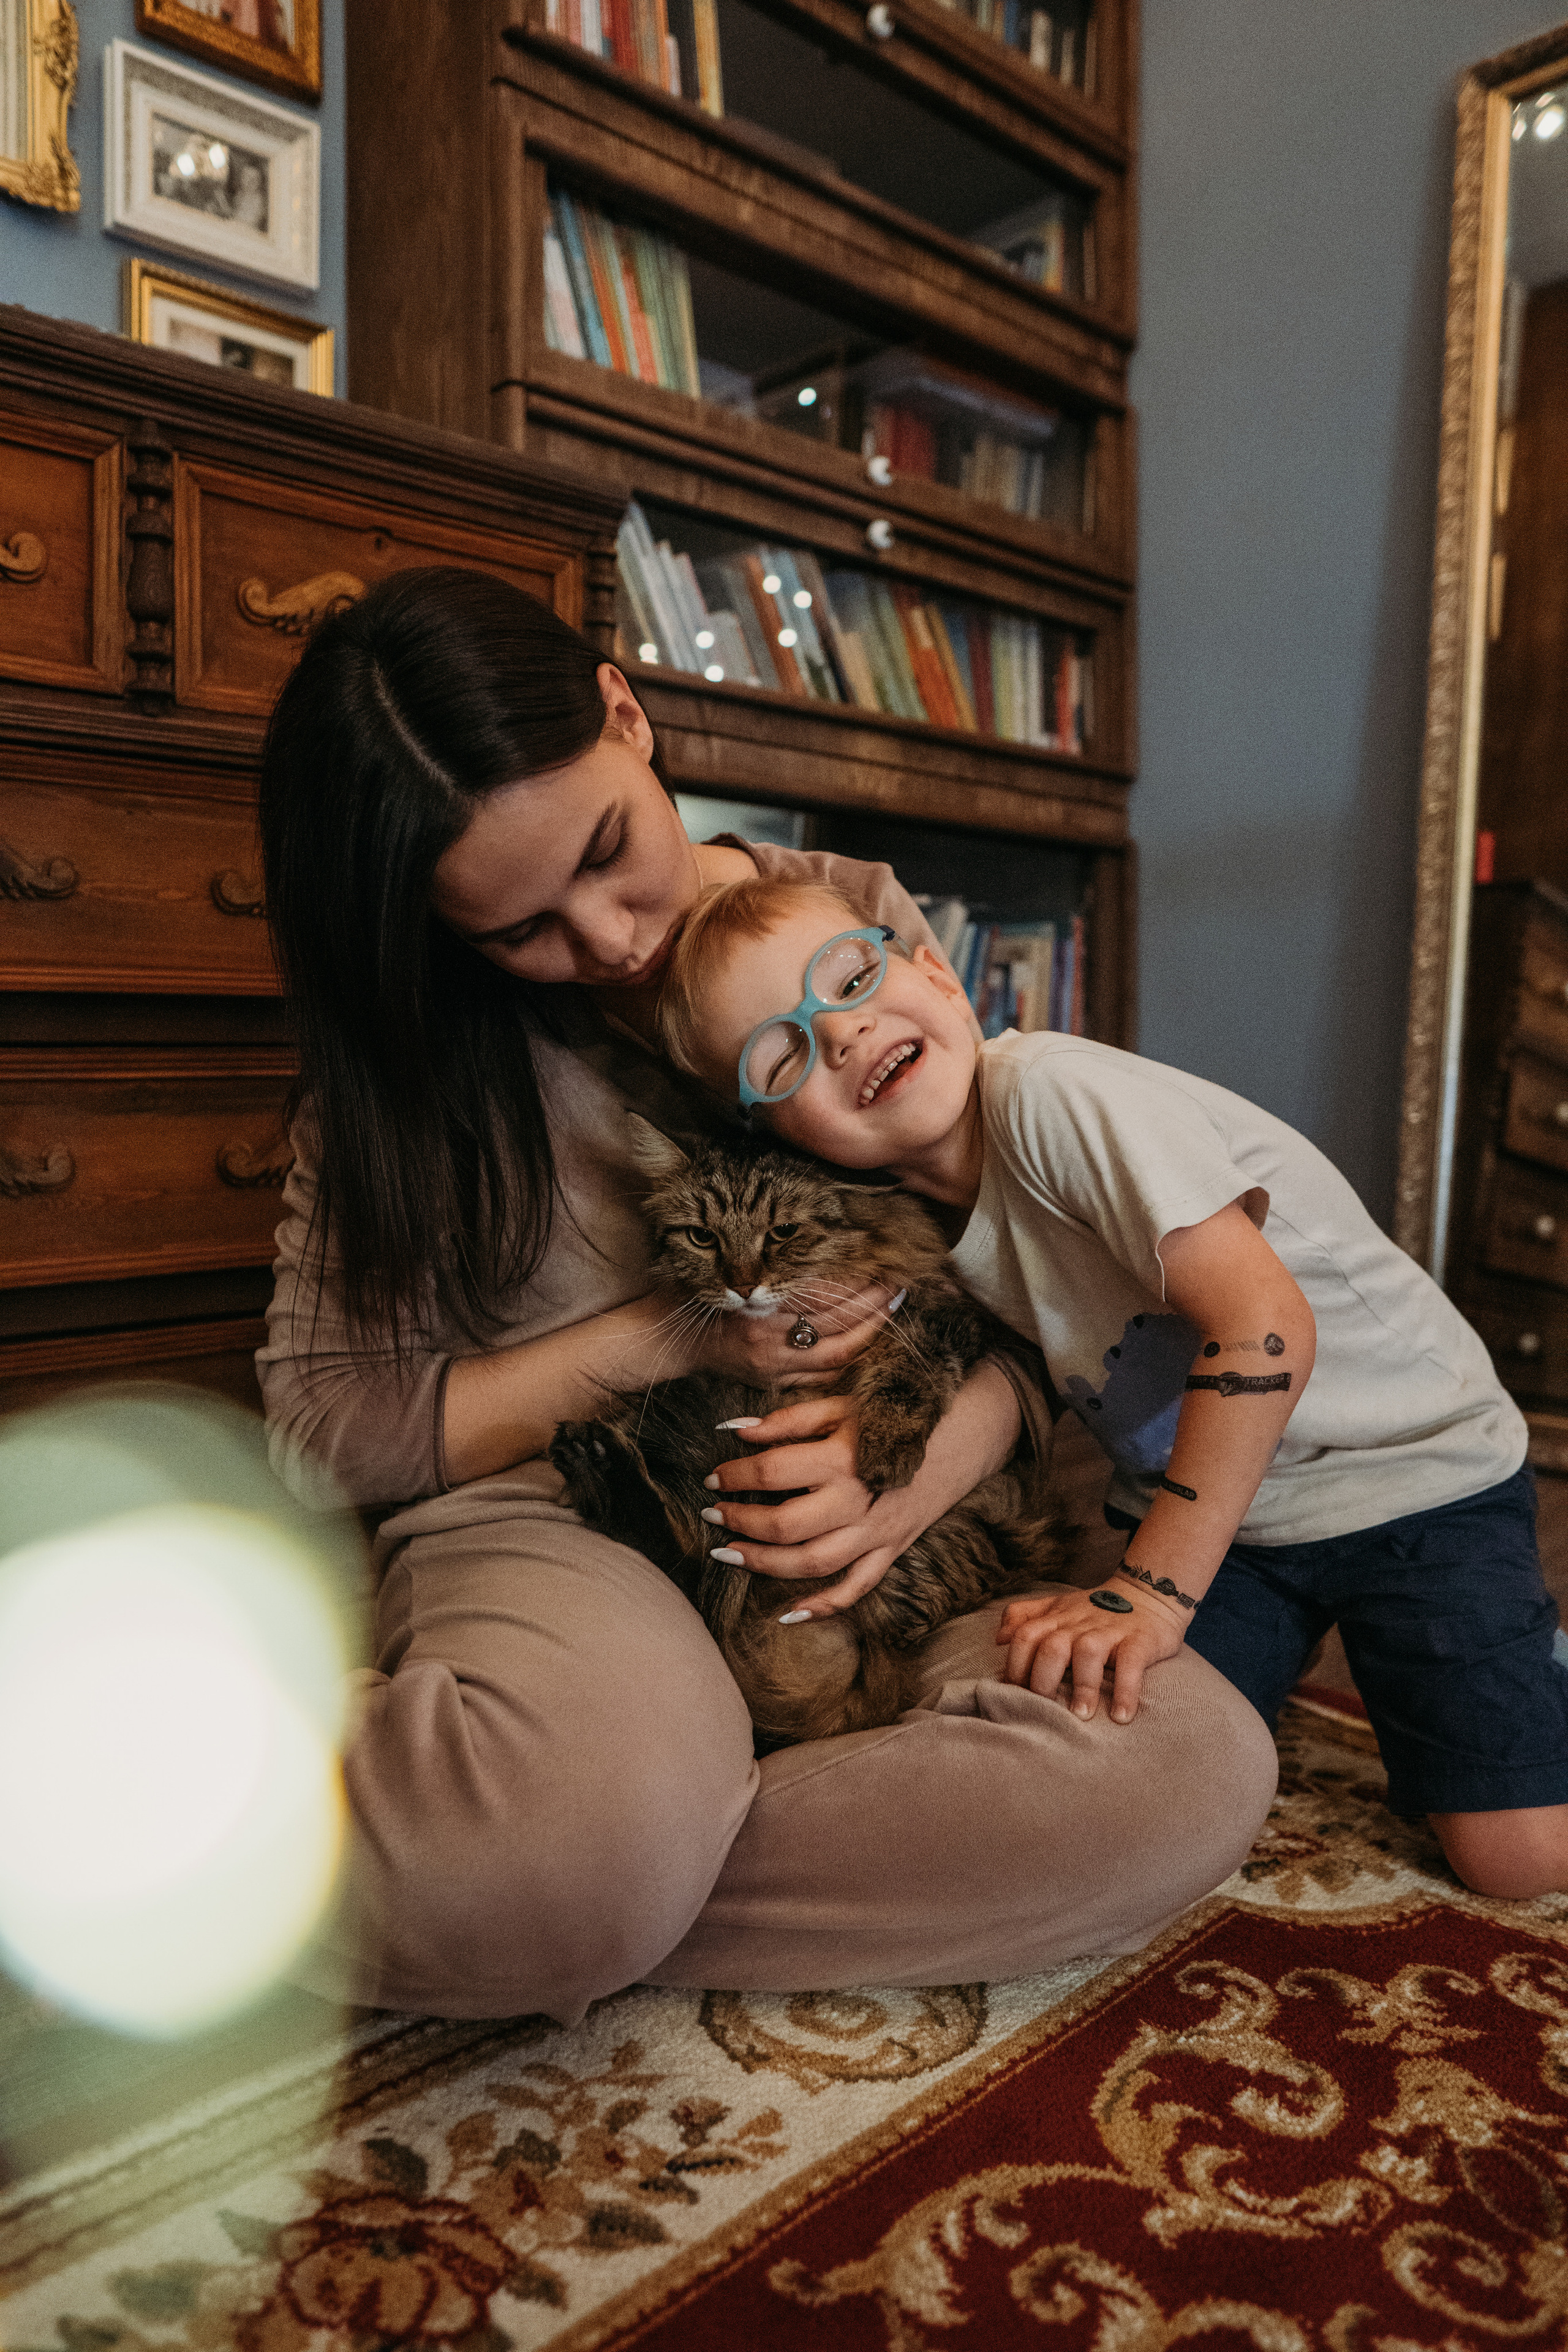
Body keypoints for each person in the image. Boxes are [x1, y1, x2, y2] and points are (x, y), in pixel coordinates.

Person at [257, 567, 1278, 2024]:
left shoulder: (849, 917)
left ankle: (597, 1873)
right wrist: (675, 1339)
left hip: (907, 1521)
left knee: (1191, 1768)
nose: (609, 941)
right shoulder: (414, 1059)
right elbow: (324, 1432)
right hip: (579, 1511)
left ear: (626, 713)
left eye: (608, 851)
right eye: (518, 930)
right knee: (573, 1831)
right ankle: (533, 1841)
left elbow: (1023, 1284)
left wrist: (910, 1484)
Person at [657, 871, 1568, 1902]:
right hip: (1240, 1523)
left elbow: (1266, 1329)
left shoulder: (1054, 1095)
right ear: (782, 1140)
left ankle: (1533, 1668)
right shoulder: (911, 1214)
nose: (841, 1033)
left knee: (1513, 1859)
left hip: (1411, 1477)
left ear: (940, 978)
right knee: (1126, 1736)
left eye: (851, 978)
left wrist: (1151, 1592)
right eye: (782, 1054)